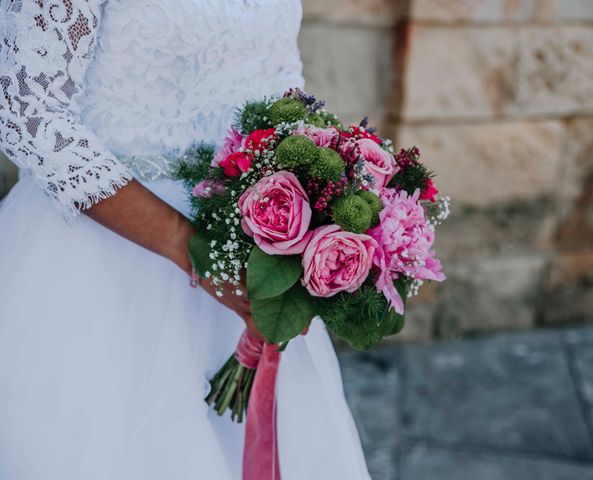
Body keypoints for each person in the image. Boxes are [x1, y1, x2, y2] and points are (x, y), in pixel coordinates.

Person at [0, 1, 372, 478]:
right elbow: (30, 114)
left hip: (250, 238)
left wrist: (314, 214)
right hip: (100, 253)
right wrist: (191, 251)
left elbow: (282, 89)